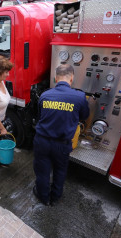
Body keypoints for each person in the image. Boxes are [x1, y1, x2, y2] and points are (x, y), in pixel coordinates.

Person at [33, 64, 89, 206]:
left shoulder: (45, 95)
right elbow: (84, 116)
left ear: (56, 78)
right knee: (60, 170)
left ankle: (43, 197)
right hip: (62, 144)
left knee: (42, 170)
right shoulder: (80, 97)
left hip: (42, 142)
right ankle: (55, 197)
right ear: (72, 78)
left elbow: (40, 116)